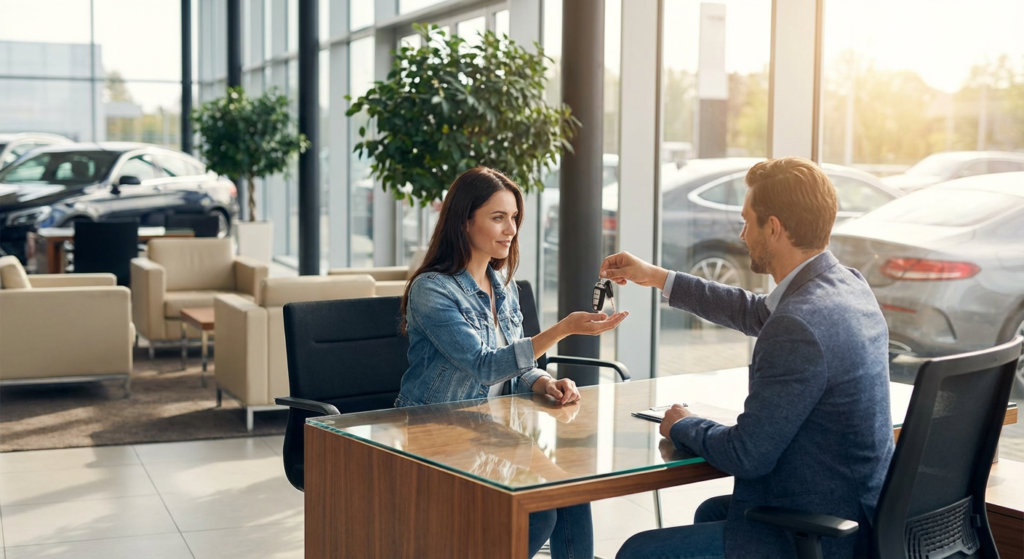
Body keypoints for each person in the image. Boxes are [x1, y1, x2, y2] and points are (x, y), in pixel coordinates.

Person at [604, 157, 894, 559]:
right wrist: (655, 277)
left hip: (826, 532)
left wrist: (683, 424)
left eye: (746, 221)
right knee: (711, 511)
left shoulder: (798, 325)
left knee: (639, 551)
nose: (742, 235)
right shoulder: (846, 285)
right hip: (859, 507)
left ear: (773, 227)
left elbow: (747, 454)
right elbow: (752, 310)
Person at [396, 166, 629, 559]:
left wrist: (543, 382)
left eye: (515, 217)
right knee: (540, 515)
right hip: (438, 435)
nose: (511, 229)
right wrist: (564, 328)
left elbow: (514, 368)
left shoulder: (504, 288)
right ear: (465, 221)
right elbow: (485, 366)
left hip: (492, 433)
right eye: (498, 217)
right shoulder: (432, 290)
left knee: (570, 487)